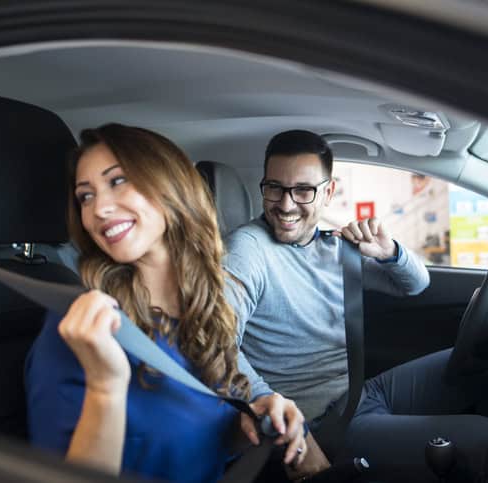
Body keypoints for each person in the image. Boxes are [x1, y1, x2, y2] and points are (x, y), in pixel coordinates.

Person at [224, 130, 488, 482]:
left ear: (328, 192)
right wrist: (271, 409)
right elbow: (216, 342)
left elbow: (416, 283)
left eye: (302, 190)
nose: (286, 204)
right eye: (275, 188)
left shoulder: (332, 246)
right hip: (322, 424)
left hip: (361, 391)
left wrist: (390, 254)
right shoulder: (246, 250)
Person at [24, 124, 308, 483]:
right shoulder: (82, 328)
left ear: (171, 186)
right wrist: (105, 387)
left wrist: (253, 422)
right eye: (86, 196)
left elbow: (200, 445)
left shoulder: (207, 312)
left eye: (117, 181)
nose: (100, 209)